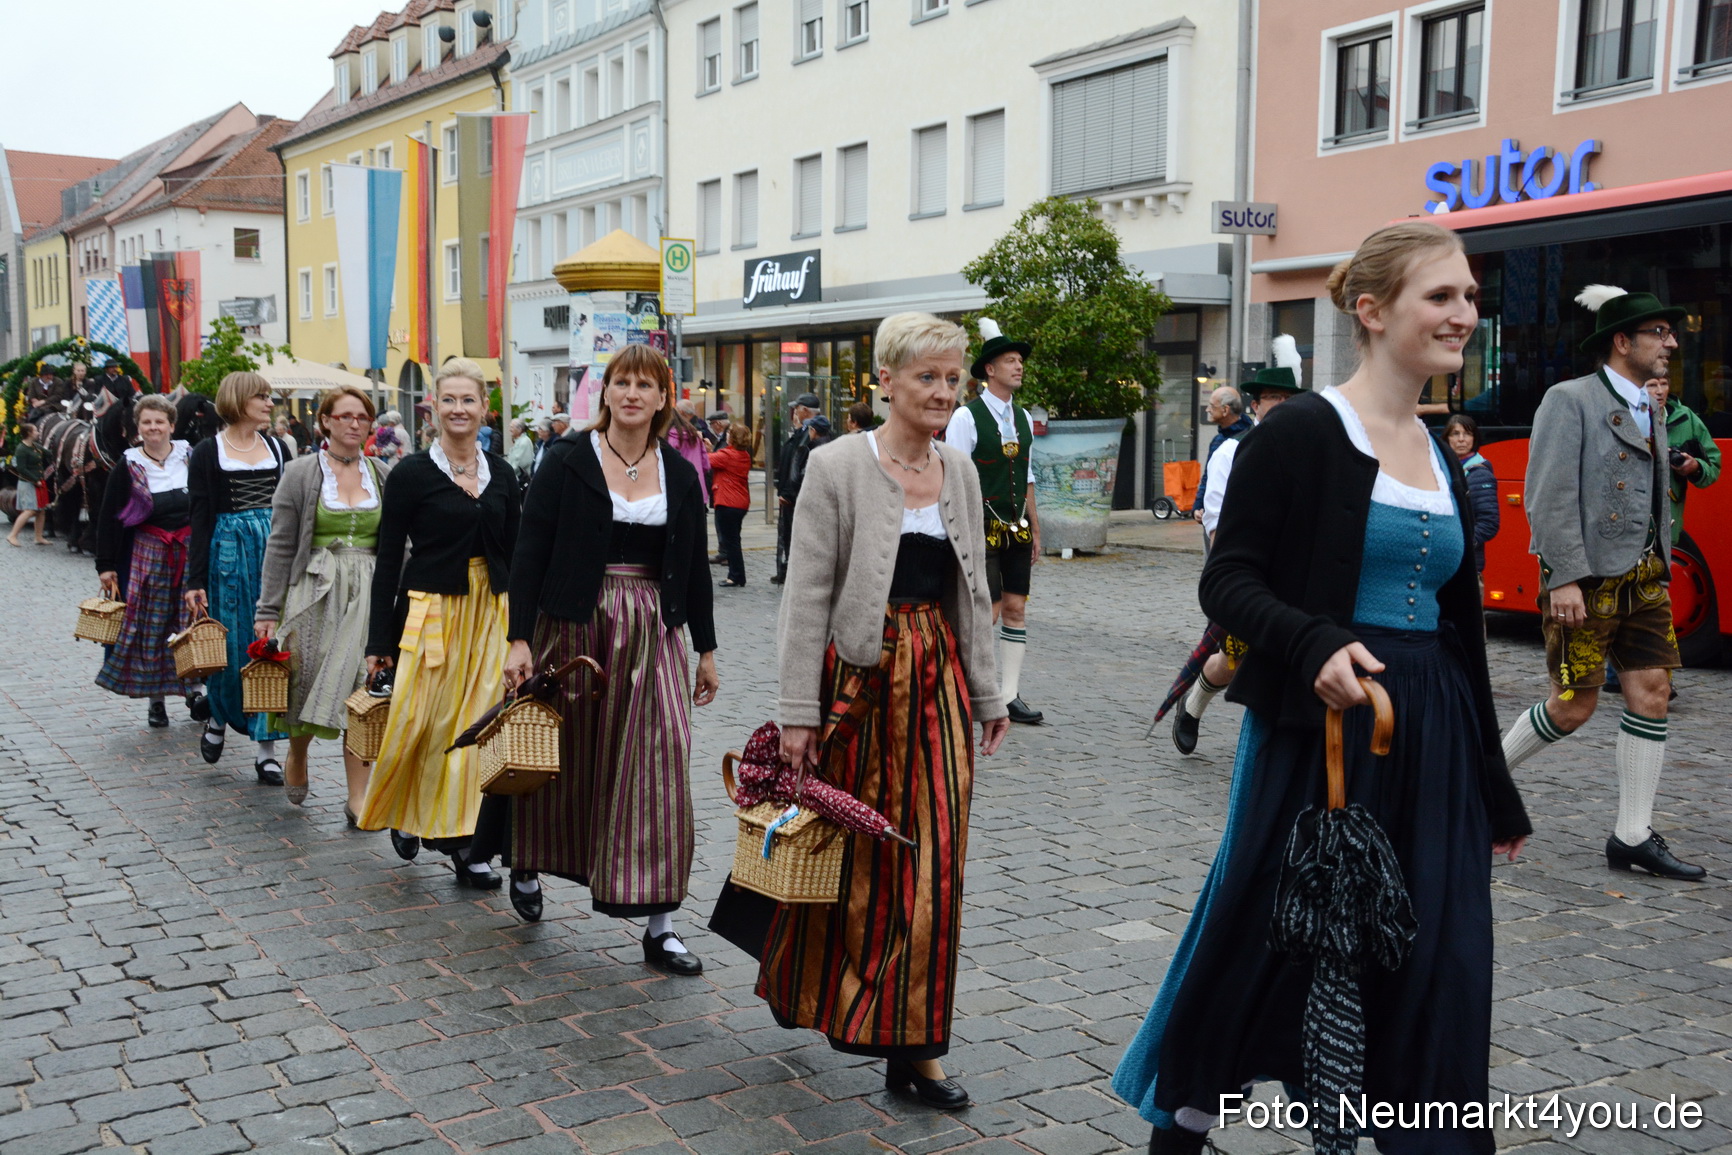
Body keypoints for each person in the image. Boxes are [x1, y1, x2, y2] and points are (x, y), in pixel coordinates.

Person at [1115, 221, 1531, 1154]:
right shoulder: (1302, 430)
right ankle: (1185, 1117)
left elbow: (1460, 632)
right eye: (1442, 296)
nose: (1465, 313)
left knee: (1439, 952)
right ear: (1373, 311)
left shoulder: (1441, 452)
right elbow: (1227, 580)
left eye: (1469, 296)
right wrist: (1313, 644)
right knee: (1269, 935)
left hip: (1434, 739)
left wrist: (1493, 787)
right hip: (1323, 735)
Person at [762, 312, 1008, 1110]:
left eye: (952, 377)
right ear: (887, 382)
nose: (942, 391)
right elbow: (805, 596)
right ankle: (830, 996)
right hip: (854, 687)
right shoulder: (836, 467)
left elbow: (971, 594)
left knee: (934, 864)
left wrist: (987, 692)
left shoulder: (961, 473)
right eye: (927, 377)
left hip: (933, 682)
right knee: (852, 859)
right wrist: (798, 711)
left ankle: (917, 1045)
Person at [477, 344, 718, 965]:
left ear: (664, 397)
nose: (633, 393)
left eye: (646, 384)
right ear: (604, 393)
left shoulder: (681, 472)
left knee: (659, 765)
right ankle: (526, 862)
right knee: (561, 757)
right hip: (576, 625)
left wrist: (707, 651)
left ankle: (661, 922)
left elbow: (694, 569)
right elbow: (530, 551)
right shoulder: (565, 460)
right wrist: (519, 637)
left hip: (653, 630)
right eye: (622, 383)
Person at [1498, 285, 1703, 881]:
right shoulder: (1570, 400)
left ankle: (1632, 836)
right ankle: (1480, 780)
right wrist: (1562, 576)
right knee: (1573, 706)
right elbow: (1549, 492)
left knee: (1653, 692)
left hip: (1645, 578)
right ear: (1622, 342)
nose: (1670, 343)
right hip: (1584, 581)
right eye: (1658, 334)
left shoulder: (1653, 404)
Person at [356, 359, 519, 887]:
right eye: (448, 400)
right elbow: (387, 561)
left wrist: (524, 632)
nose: (458, 409)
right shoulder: (409, 474)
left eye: (468, 400)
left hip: (489, 612)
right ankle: (406, 808)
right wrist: (379, 640)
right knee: (419, 721)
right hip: (430, 611)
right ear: (432, 408)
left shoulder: (504, 473)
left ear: (484, 408)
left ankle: (467, 847)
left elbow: (517, 554)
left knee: (476, 728)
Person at [255, 386, 391, 820]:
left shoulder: (383, 473)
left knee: (360, 689)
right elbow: (279, 546)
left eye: (363, 417)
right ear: (326, 421)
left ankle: (358, 796)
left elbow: (401, 543)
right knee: (306, 681)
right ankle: (297, 753)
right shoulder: (299, 474)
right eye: (345, 415)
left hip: (368, 590)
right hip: (315, 590)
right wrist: (267, 611)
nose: (355, 424)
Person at [1169, 365, 1302, 756]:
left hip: (1294, 573)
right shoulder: (1232, 450)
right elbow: (1217, 520)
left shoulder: (1309, 449)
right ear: (1256, 406)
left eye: (1287, 400)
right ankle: (1193, 705)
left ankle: (1272, 744)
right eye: (1273, 399)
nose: (1280, 406)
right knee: (1235, 658)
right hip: (1250, 575)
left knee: (1290, 659)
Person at [183, 372, 291, 781]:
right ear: (239, 400)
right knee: (231, 647)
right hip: (228, 554)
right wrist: (195, 581)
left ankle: (267, 750)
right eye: (261, 397)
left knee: (271, 647)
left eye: (268, 396)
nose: (269, 403)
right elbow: (199, 516)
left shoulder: (277, 448)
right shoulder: (209, 452)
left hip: (272, 550)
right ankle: (218, 714)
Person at [943, 318, 1043, 725]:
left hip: (1016, 526)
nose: (1019, 367)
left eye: (1020, 361)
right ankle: (969, 689)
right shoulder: (967, 417)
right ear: (990, 369)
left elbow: (1029, 474)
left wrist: (1035, 527)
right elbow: (954, 474)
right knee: (989, 609)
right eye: (1011, 361)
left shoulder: (1022, 417)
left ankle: (1009, 694)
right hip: (980, 526)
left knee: (1016, 607)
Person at [94, 395, 200, 726]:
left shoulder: (191, 457)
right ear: (137, 429)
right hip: (148, 552)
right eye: (146, 422)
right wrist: (106, 564)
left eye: (159, 421)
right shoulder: (127, 466)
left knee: (191, 620)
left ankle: (196, 689)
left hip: (188, 549)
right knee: (152, 625)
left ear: (171, 425)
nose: (153, 427)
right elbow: (109, 517)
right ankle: (156, 699)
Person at [1650, 375, 1722, 541]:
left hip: (1669, 527)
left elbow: (1713, 466)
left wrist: (1695, 467)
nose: (1660, 391)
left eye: (1664, 384)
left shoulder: (1685, 417)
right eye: (1652, 385)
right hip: (1630, 530)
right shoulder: (1623, 417)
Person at [770, 392, 820, 585]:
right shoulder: (801, 433)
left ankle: (794, 572)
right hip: (791, 496)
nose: (794, 411)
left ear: (805, 410)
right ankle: (787, 570)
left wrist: (789, 493)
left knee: (797, 536)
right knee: (788, 535)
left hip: (798, 497)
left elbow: (799, 467)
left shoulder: (810, 435)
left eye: (797, 408)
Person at [1443, 413, 1500, 574]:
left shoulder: (1480, 473)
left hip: (1466, 565)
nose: (1461, 439)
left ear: (1474, 439)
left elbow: (1489, 524)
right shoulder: (1441, 468)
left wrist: (1461, 543)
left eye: (1467, 434)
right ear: (1447, 438)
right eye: (1455, 434)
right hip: (1444, 563)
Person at [1192, 386, 1251, 531]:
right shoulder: (1217, 440)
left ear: (1225, 410)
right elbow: (1208, 477)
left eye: (1212, 405)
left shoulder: (1249, 438)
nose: (1207, 409)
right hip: (1212, 519)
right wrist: (1198, 506)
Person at [710, 422, 753, 588]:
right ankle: (737, 575)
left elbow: (706, 460)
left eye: (729, 433)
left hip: (727, 502)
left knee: (731, 543)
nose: (726, 435)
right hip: (740, 503)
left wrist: (704, 447)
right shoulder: (744, 455)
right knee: (734, 540)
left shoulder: (727, 456)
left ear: (733, 438)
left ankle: (735, 576)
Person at [6, 423, 48, 547]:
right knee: (29, 511)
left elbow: (48, 454)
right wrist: (35, 480)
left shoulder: (35, 446)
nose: (38, 433)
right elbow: (21, 469)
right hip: (29, 483)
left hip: (38, 482)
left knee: (41, 511)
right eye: (35, 431)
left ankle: (38, 537)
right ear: (29, 433)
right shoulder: (21, 449)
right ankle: (12, 535)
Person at [505, 417, 535, 483]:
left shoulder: (524, 442)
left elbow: (518, 464)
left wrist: (505, 473)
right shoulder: (519, 441)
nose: (510, 429)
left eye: (512, 427)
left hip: (520, 480)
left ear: (519, 429)